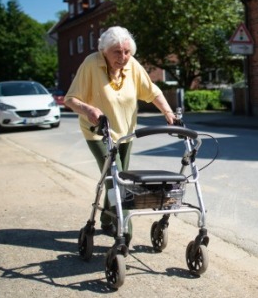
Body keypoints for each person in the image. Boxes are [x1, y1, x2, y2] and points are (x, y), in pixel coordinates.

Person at [64, 26, 175, 233]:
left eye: (127, 52)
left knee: (115, 177)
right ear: (103, 50)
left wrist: (169, 113)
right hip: (98, 133)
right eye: (117, 52)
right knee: (120, 182)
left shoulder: (132, 65)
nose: (123, 57)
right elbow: (71, 99)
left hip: (126, 134)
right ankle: (125, 232)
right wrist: (87, 109)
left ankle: (106, 221)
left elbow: (152, 91)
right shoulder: (90, 64)